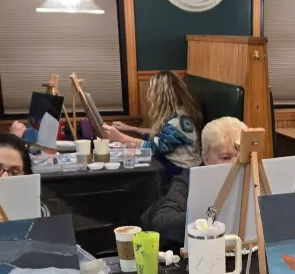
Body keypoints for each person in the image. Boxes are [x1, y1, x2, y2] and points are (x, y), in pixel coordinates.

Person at [140, 117, 247, 251]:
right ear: (206, 158)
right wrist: (211, 223)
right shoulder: (189, 179)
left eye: (241, 156)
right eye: (225, 157)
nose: (235, 164)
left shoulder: (251, 177)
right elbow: (163, 222)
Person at [101, 70, 203, 176]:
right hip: (174, 166)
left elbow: (154, 148)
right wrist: (130, 128)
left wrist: (120, 137)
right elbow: (160, 134)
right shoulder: (177, 113)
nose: (149, 94)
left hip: (181, 172)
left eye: (151, 90)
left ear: (161, 95)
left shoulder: (178, 122)